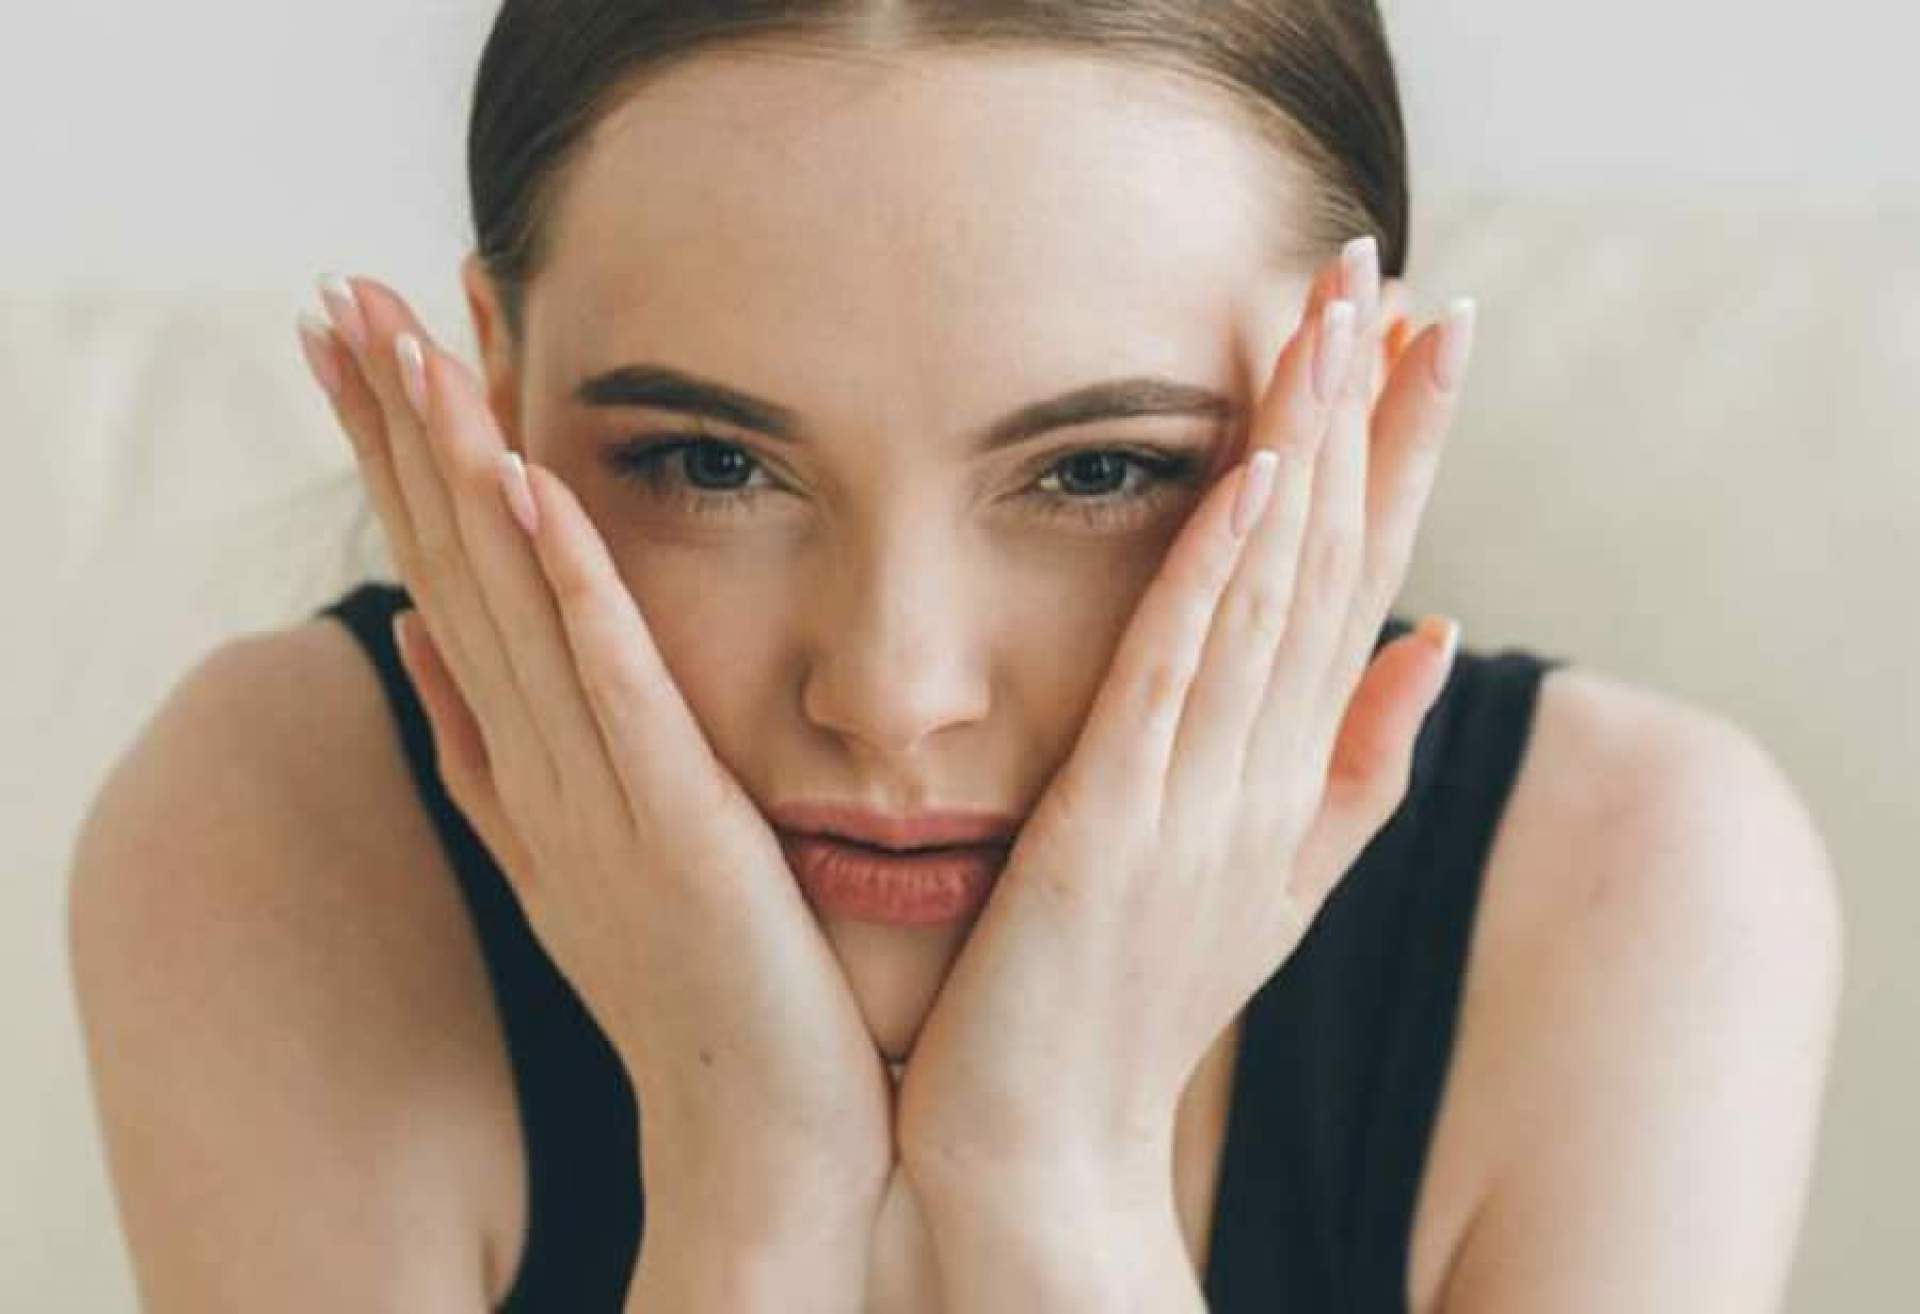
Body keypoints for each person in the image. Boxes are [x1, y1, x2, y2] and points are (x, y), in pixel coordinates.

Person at [68, 3, 1844, 1312]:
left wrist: (1052, 1189)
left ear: (1364, 436)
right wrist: (752, 1198)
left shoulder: (1633, 890)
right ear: (502, 391)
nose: (893, 691)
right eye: (712, 464)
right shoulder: (281, 841)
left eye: (1099, 472)